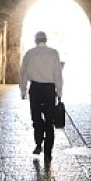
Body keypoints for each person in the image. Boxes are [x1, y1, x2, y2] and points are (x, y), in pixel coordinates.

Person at [19, 31, 63, 160]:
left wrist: (23, 90)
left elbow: (23, 74)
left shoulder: (29, 54)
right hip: (49, 90)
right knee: (49, 120)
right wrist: (59, 92)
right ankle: (48, 150)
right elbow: (58, 75)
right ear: (46, 40)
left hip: (35, 89)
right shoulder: (54, 53)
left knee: (36, 118)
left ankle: (38, 144)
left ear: (35, 40)